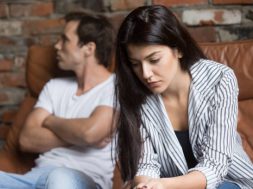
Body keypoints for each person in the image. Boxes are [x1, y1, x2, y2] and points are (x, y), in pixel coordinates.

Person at [114, 5, 253, 189]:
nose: (146, 73)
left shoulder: (219, 79)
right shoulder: (136, 94)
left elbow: (215, 166)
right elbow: (146, 165)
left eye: (154, 60)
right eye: (135, 64)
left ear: (178, 49)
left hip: (228, 183)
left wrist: (163, 185)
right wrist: (145, 185)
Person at [0, 11, 116, 189]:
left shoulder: (116, 87)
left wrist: (49, 120)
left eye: (65, 40)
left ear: (89, 48)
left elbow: (89, 133)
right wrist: (80, 136)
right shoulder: (54, 86)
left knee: (59, 179)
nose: (57, 46)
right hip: (34, 178)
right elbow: (26, 140)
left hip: (80, 179)